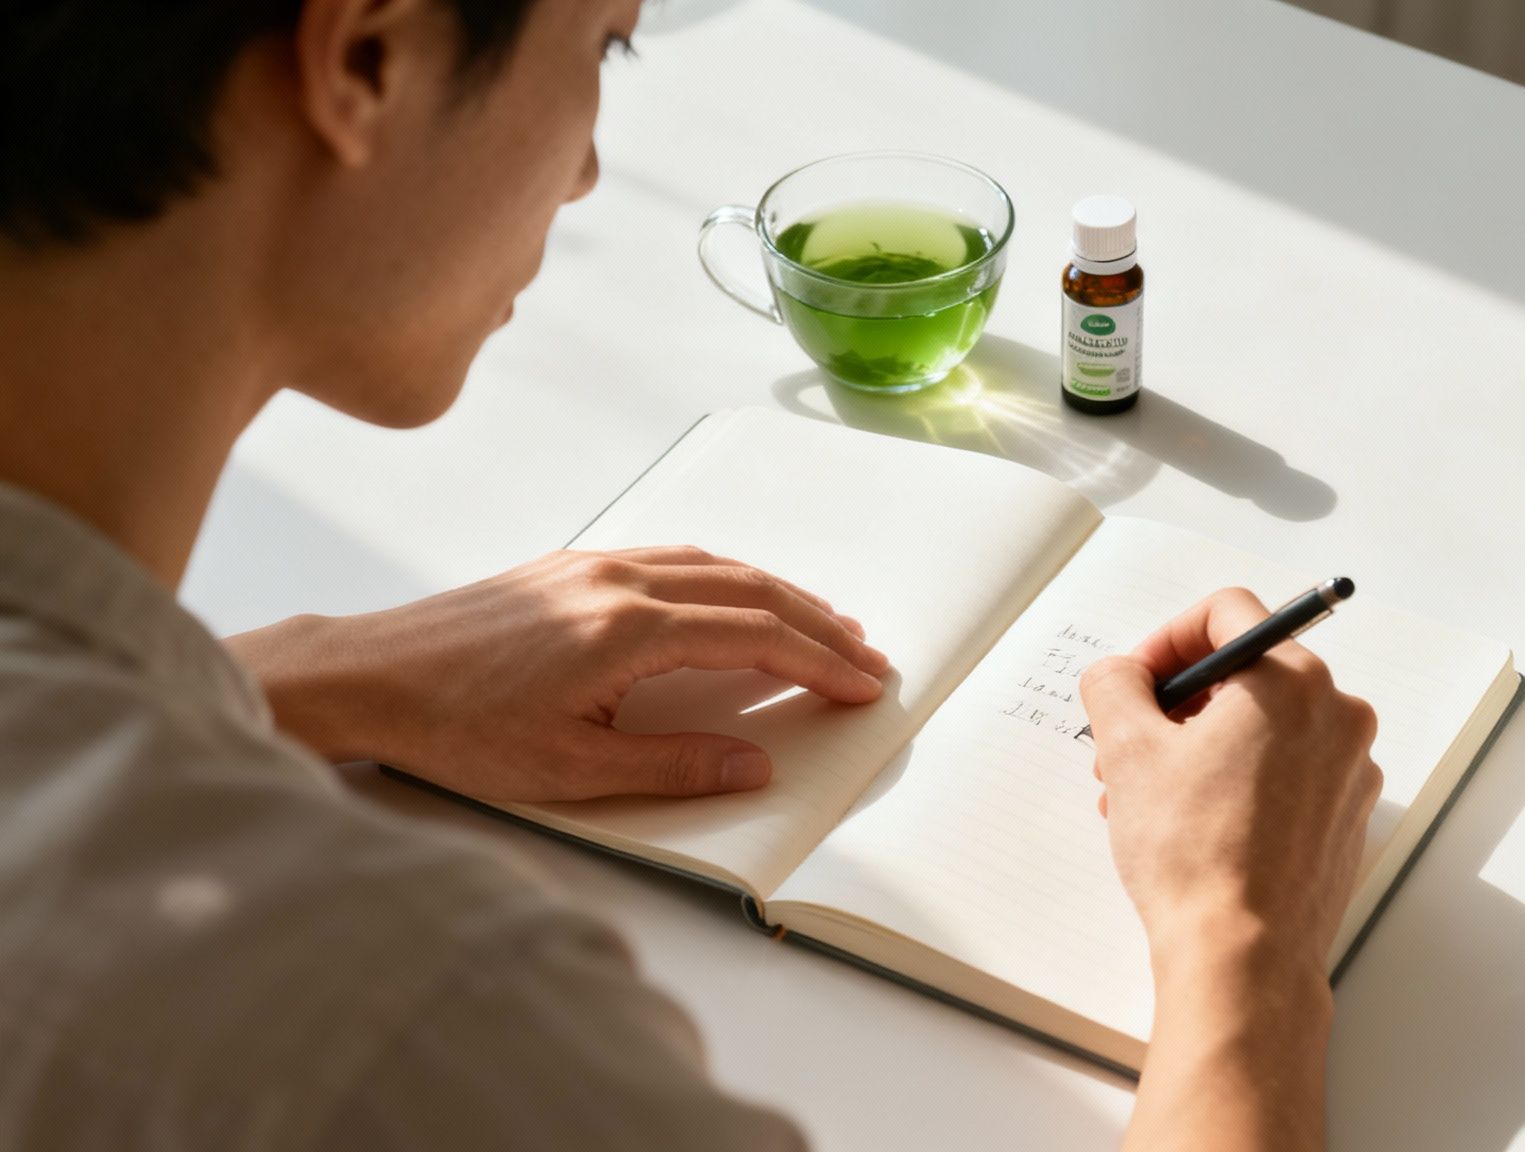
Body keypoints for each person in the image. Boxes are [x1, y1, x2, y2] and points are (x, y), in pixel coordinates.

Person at [0, 1, 1384, 1148]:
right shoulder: (404, 1029)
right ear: (372, 54)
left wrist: (281, 675)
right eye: (605, 44)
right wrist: (1242, 944)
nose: (592, 170)